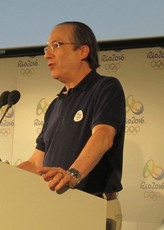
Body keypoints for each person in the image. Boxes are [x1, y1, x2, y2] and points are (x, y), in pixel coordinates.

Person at [18, 21, 125, 230]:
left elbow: (103, 136)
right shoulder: (56, 105)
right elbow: (35, 163)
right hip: (56, 208)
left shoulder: (105, 87)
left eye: (56, 45)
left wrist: (73, 174)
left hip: (92, 207)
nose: (47, 54)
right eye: (46, 48)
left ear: (83, 51)